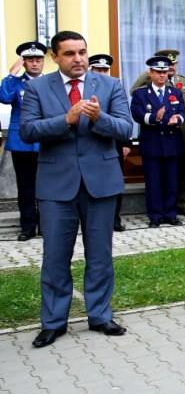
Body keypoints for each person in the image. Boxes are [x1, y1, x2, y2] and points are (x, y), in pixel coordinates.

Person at [20, 30, 134, 348]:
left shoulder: (110, 85)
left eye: (82, 52)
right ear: (55, 57)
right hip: (56, 187)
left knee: (100, 256)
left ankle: (99, 315)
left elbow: (127, 128)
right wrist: (65, 119)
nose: (79, 59)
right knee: (55, 256)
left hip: (101, 184)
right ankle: (54, 322)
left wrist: (100, 118)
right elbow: (27, 130)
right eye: (69, 54)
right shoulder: (37, 88)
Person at [131, 48, 185, 216]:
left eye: (165, 72)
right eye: (158, 72)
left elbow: (183, 111)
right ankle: (155, 215)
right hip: (152, 143)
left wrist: (178, 119)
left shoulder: (176, 92)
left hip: (173, 143)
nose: (162, 75)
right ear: (150, 73)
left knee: (172, 181)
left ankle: (171, 214)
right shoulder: (141, 94)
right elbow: (136, 114)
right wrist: (154, 118)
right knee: (154, 182)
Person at [1, 41, 45, 240]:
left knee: (47, 187)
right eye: (30, 60)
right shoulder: (16, 83)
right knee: (25, 187)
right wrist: (12, 74)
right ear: (24, 62)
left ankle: (46, 225)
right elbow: (4, 97)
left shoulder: (51, 82)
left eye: (38, 59)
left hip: (46, 141)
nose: (35, 64)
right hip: (22, 143)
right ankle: (27, 226)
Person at [88, 54, 131, 232]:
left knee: (114, 181)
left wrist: (126, 142)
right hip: (91, 142)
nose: (103, 73)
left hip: (114, 143)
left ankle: (115, 218)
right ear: (91, 70)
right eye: (98, 69)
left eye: (105, 69)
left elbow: (123, 116)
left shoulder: (114, 86)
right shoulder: (86, 88)